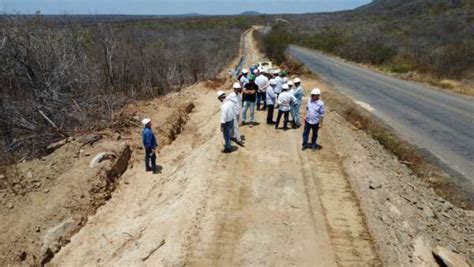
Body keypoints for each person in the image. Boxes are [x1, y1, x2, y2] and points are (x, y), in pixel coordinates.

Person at [226, 82, 245, 147]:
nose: (237, 89)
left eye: (238, 88)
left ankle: (231, 136)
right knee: (236, 126)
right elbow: (225, 102)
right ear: (234, 89)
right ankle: (238, 140)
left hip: (237, 113)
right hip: (232, 113)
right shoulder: (231, 95)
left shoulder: (239, 95)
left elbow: (240, 103)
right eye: (236, 88)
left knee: (233, 126)